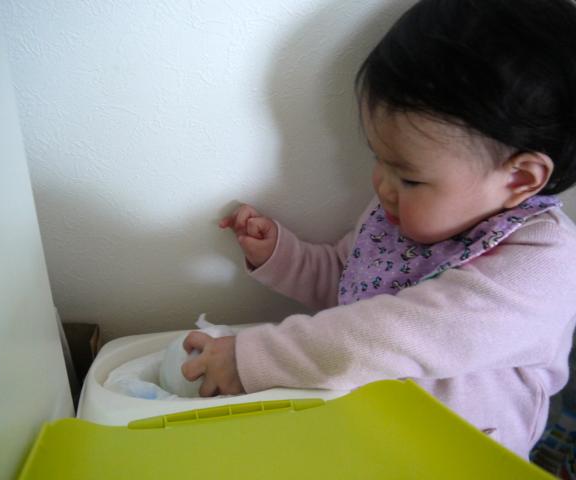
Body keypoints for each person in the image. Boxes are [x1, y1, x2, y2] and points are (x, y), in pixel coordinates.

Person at [181, 0, 576, 458]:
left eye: (408, 177)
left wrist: (254, 358)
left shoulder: (543, 263)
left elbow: (394, 333)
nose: (382, 186)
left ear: (520, 179)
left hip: (463, 453)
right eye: (379, 159)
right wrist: (281, 256)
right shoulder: (404, 216)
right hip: (369, 427)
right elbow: (352, 285)